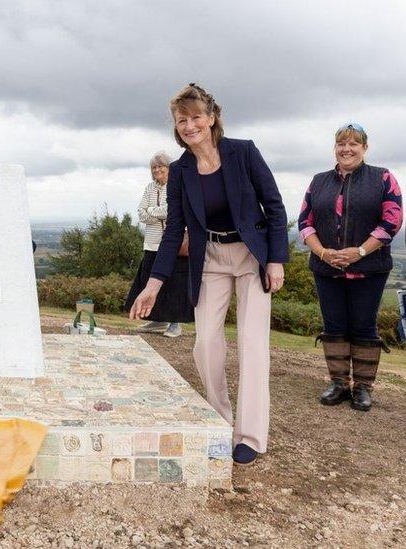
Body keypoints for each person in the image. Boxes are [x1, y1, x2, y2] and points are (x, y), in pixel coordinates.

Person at [129, 84, 289, 465]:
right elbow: (173, 231)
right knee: (205, 344)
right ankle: (220, 417)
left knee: (252, 342)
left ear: (212, 117)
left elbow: (275, 205)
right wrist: (154, 284)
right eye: (181, 119)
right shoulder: (181, 170)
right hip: (211, 258)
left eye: (196, 116)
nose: (189, 125)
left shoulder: (244, 152)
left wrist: (276, 259)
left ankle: (249, 435)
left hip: (252, 255)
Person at [298, 123, 403, 411]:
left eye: (354, 144)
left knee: (363, 325)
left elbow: (391, 222)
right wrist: (322, 252)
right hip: (326, 267)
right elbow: (305, 223)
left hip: (369, 268)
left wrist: (358, 252)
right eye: (341, 144)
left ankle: (363, 388)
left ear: (364, 148)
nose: (347, 149)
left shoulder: (383, 178)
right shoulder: (318, 181)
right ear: (335, 148)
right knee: (334, 325)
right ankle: (339, 383)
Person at [125, 151, 193, 338]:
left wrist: (152, 211)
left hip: (173, 244)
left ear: (169, 168)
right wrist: (157, 212)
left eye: (160, 166)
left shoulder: (177, 186)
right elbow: (141, 214)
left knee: (174, 284)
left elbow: (173, 211)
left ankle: (175, 324)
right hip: (152, 243)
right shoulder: (150, 188)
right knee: (149, 281)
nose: (156, 170)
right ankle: (157, 319)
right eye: (154, 167)